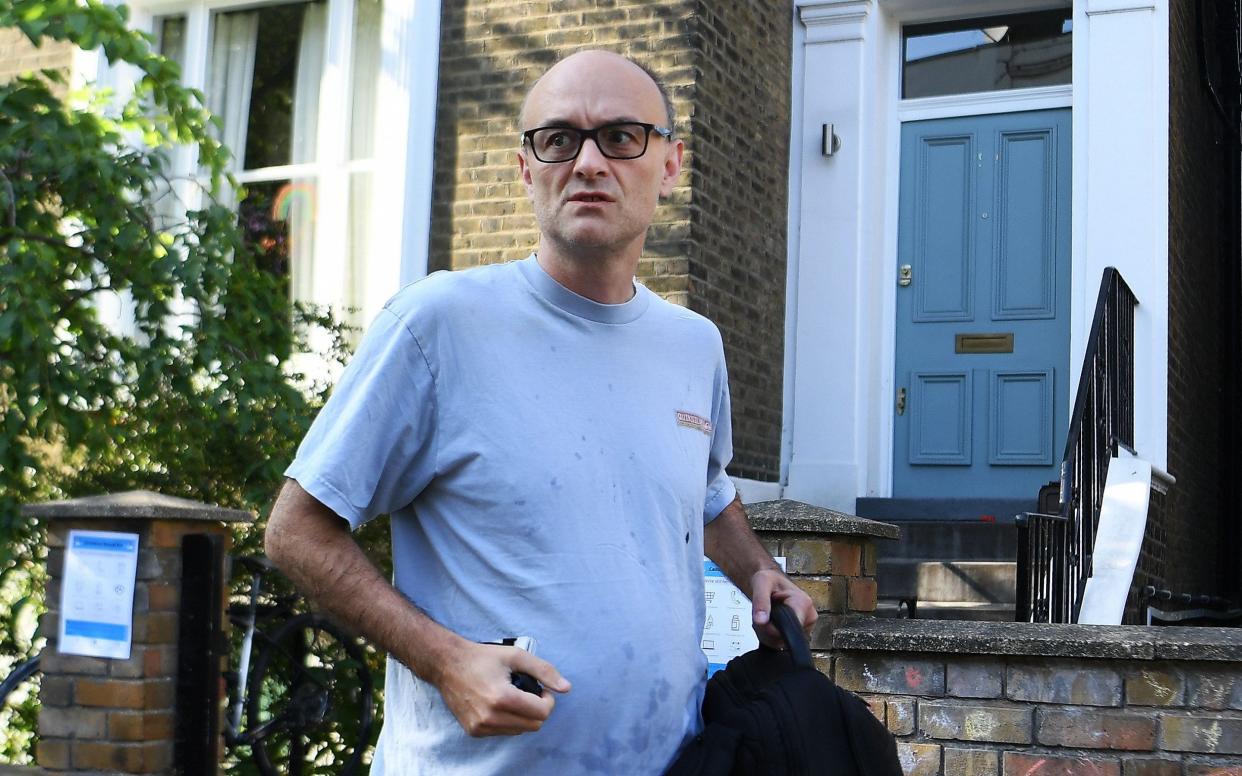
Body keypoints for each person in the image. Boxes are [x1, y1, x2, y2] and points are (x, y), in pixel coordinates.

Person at [264, 49, 816, 775]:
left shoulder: (694, 345)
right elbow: (295, 532)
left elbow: (704, 492)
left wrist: (756, 573)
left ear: (672, 163)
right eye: (558, 139)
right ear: (528, 169)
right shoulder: (440, 325)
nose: (588, 162)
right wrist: (446, 661)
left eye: (621, 136)